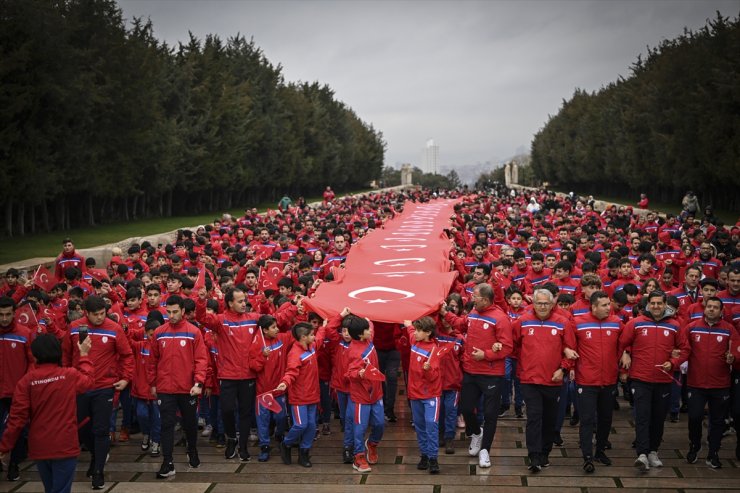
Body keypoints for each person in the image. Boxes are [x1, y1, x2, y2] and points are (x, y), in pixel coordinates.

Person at [0, 334, 93, 493]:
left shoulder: (26, 381)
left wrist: (4, 447)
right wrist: (84, 355)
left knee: (50, 489)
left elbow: (16, 419)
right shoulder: (69, 375)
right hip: (65, 444)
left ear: (35, 356)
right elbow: (88, 382)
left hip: (40, 446)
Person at [440, 283, 512, 469]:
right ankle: (475, 433)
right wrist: (445, 313)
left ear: (486, 300)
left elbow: (507, 347)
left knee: (490, 414)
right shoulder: (473, 313)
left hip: (491, 374)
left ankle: (485, 451)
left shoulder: (500, 318)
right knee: (465, 407)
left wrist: (486, 354)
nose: (472, 298)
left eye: (475, 296)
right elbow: (460, 324)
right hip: (471, 371)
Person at [66, 295, 133, 490]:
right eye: (95, 315)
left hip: (105, 387)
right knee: (79, 427)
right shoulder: (75, 327)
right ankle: (96, 454)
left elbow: (127, 355)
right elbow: (65, 354)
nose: (99, 318)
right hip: (79, 385)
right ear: (86, 313)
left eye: (102, 314)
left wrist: (125, 378)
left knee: (101, 430)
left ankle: (98, 471)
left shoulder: (114, 328)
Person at [618, 290, 689, 471]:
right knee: (642, 416)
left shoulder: (675, 325)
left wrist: (672, 362)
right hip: (640, 378)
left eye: (660, 303)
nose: (656, 306)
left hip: (663, 379)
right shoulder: (636, 323)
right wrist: (626, 355)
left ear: (665, 304)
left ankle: (653, 451)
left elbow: (685, 349)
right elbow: (622, 343)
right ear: (648, 304)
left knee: (658, 418)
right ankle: (642, 454)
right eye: (653, 303)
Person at [196, 287, 260, 461]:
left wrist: (294, 304)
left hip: (248, 375)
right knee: (227, 410)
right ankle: (231, 438)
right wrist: (201, 301)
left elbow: (275, 320)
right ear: (230, 303)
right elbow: (201, 318)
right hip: (227, 375)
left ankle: (244, 446)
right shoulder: (221, 321)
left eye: (244, 300)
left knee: (246, 412)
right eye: (239, 301)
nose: (243, 304)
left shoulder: (253, 319)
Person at [512, 289, 572, 472]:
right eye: (539, 303)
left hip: (553, 379)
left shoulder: (562, 322)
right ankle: (534, 456)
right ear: (533, 303)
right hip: (529, 379)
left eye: (546, 303)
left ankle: (545, 452)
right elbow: (513, 345)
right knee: (534, 417)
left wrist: (563, 369)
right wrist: (524, 364)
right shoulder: (522, 321)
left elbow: (571, 349)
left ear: (552, 304)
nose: (543, 307)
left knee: (549, 419)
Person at [149, 295, 208, 479]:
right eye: (169, 312)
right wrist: (152, 383)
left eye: (175, 312)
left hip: (187, 388)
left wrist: (198, 383)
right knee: (166, 425)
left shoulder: (193, 332)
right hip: (165, 388)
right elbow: (152, 361)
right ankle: (167, 462)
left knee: (189, 424)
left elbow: (201, 359)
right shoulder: (159, 332)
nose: (172, 315)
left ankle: (192, 449)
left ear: (183, 311)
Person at [564, 291, 623, 472]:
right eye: (604, 305)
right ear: (594, 306)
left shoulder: (617, 323)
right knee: (587, 418)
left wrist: (627, 353)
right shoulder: (578, 323)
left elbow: (626, 343)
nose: (608, 308)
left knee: (606, 418)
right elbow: (569, 345)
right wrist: (571, 366)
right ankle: (587, 456)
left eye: (609, 304)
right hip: (586, 380)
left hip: (609, 379)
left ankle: (600, 450)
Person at [682, 297, 735, 468]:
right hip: (696, 383)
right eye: (709, 306)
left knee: (718, 421)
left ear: (721, 311)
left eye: (715, 307)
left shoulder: (729, 330)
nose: (711, 309)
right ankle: (695, 445)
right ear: (704, 309)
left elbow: (736, 352)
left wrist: (733, 358)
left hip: (720, 384)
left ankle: (713, 453)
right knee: (695, 417)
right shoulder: (691, 328)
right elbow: (682, 349)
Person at [276, 321, 327, 468]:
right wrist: (285, 383)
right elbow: (291, 371)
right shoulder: (295, 354)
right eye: (311, 334)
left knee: (311, 426)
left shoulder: (311, 347)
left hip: (313, 395)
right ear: (303, 337)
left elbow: (320, 337)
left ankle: (304, 452)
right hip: (299, 397)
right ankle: (286, 444)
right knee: (300, 424)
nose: (314, 336)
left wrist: (325, 324)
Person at [344, 314, 385, 473]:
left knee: (380, 424)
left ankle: (372, 444)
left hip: (376, 394)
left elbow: (369, 322)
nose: (370, 330)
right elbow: (349, 374)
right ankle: (358, 456)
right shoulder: (354, 352)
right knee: (359, 429)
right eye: (367, 329)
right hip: (361, 397)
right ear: (360, 334)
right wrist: (359, 374)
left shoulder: (368, 338)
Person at [403, 317, 443, 474]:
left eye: (419, 330)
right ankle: (424, 455)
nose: (416, 332)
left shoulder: (434, 350)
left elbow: (434, 377)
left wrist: (428, 369)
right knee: (420, 426)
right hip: (415, 394)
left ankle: (433, 458)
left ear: (428, 333)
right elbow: (411, 331)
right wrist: (408, 324)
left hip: (430, 395)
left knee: (431, 425)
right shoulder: (415, 341)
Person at [0, 297, 33, 482]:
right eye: (1, 315)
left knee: (18, 429)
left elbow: (32, 362)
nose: (4, 318)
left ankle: (14, 463)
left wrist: (25, 384)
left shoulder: (25, 333)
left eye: (7, 314)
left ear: (14, 314)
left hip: (17, 391)